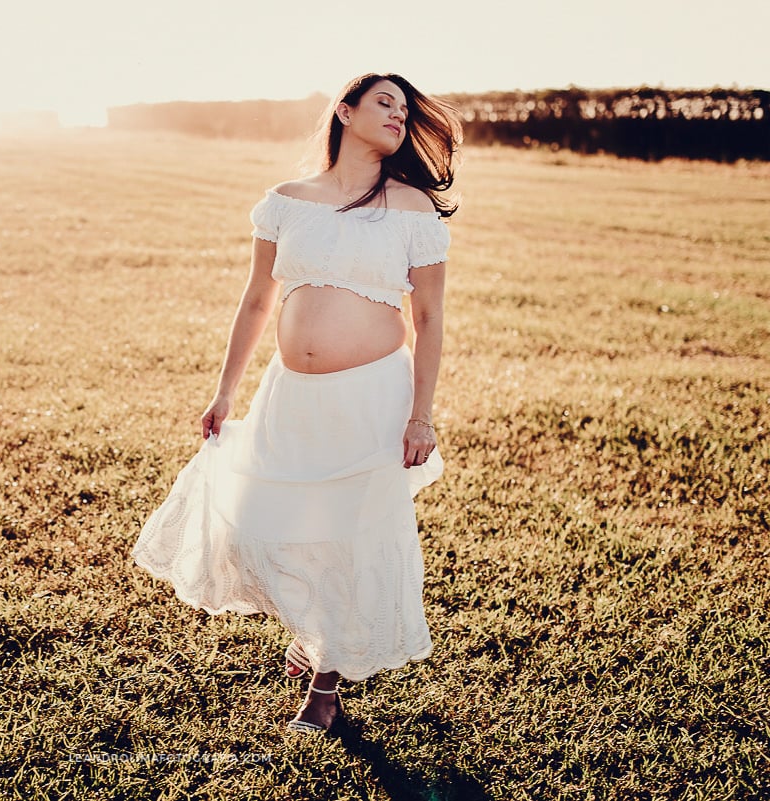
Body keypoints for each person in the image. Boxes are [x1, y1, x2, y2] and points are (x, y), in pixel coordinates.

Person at [132, 72, 461, 734]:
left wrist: (421, 413)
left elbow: (429, 317)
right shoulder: (287, 200)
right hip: (290, 393)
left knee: (344, 536)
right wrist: (225, 390)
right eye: (383, 103)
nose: (398, 115)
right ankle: (314, 631)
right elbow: (256, 300)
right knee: (269, 520)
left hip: (371, 395)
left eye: (404, 108)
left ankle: (324, 688)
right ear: (345, 111)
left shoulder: (413, 207)